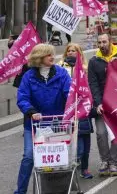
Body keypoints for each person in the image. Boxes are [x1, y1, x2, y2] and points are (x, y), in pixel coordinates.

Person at [15, 44, 71, 194]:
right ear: (39, 58)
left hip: (56, 123)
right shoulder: (28, 76)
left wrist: (73, 105)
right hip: (34, 124)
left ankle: (54, 189)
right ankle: (20, 191)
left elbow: (69, 93)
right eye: (48, 55)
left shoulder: (62, 73)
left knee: (56, 158)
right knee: (28, 157)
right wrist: (31, 111)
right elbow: (22, 98)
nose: (53, 57)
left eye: (52, 54)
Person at [88, 34, 117, 177]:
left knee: (115, 135)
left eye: (104, 42)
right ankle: (104, 161)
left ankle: (113, 162)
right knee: (101, 133)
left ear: (111, 42)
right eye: (99, 42)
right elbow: (93, 84)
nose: (102, 44)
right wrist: (98, 103)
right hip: (102, 104)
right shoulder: (94, 61)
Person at [57, 43, 94, 179]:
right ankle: (71, 165)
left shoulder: (85, 68)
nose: (71, 53)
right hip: (68, 109)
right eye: (69, 51)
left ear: (79, 53)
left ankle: (84, 168)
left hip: (83, 109)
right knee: (72, 141)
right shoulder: (60, 67)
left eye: (74, 51)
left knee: (85, 140)